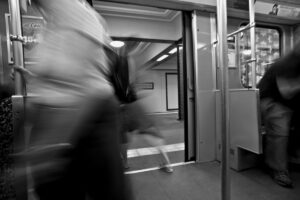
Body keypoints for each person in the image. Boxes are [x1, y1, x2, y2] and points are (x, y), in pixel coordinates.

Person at [15, 0, 133, 199]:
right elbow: (56, 78)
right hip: (66, 116)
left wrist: (51, 145)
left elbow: (82, 85)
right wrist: (31, 78)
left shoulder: (72, 9)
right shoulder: (50, 22)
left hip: (87, 116)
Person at [108, 42, 173, 173]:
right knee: (150, 133)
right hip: (132, 105)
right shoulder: (129, 62)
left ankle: (125, 163)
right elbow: (134, 83)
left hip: (120, 106)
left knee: (122, 138)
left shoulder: (118, 62)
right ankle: (167, 164)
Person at [257, 41, 300, 188]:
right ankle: (278, 169)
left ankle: (293, 155)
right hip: (271, 100)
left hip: (289, 102)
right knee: (279, 124)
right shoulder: (286, 63)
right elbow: (286, 91)